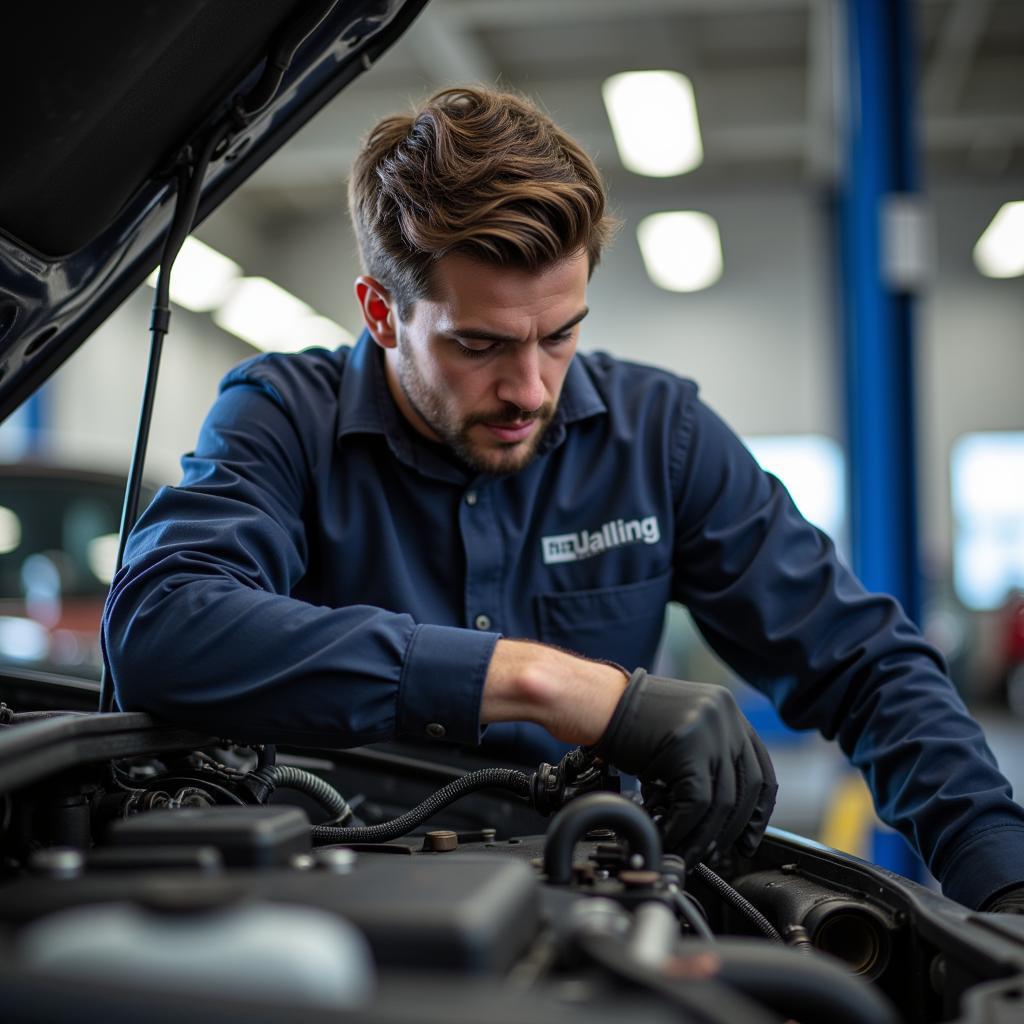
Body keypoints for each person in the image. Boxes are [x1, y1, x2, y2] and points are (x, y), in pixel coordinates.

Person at [104, 86, 1024, 911]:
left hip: (592, 893)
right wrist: (546, 684)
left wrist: (1002, 869)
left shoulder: (657, 434)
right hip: (331, 886)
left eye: (560, 335)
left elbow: (862, 662)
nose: (532, 389)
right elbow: (160, 624)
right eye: (480, 346)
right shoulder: (282, 416)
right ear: (381, 312)